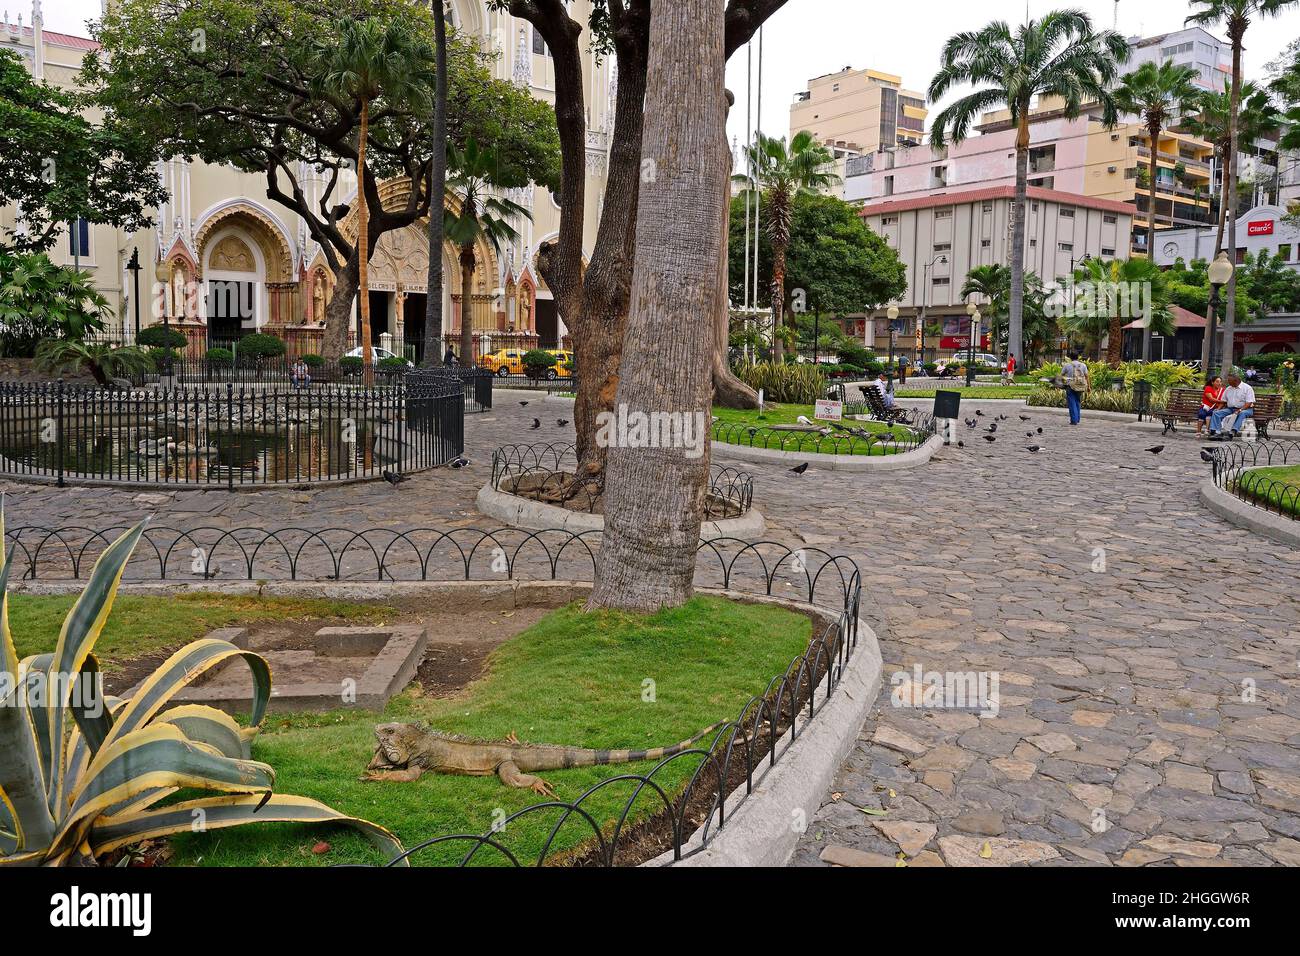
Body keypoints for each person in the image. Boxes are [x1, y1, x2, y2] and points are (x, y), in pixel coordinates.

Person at [1208, 373, 1255, 439]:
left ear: (1236, 381)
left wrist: (1240, 410)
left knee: (1242, 413)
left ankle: (1233, 432)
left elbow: (1249, 403)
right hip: (1231, 409)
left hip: (1246, 409)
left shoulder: (1247, 388)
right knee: (1216, 413)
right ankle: (1216, 432)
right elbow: (1224, 401)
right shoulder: (1228, 388)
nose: (1228, 382)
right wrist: (1218, 408)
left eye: (1229, 381)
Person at [1061, 351, 1089, 425]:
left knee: (1072, 402)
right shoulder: (1083, 365)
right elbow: (1087, 376)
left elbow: (1062, 375)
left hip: (1070, 386)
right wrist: (1089, 386)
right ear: (1078, 357)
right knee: (1077, 402)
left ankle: (1074, 420)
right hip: (1080, 386)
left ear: (1070, 357)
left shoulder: (1067, 365)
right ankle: (1077, 418)